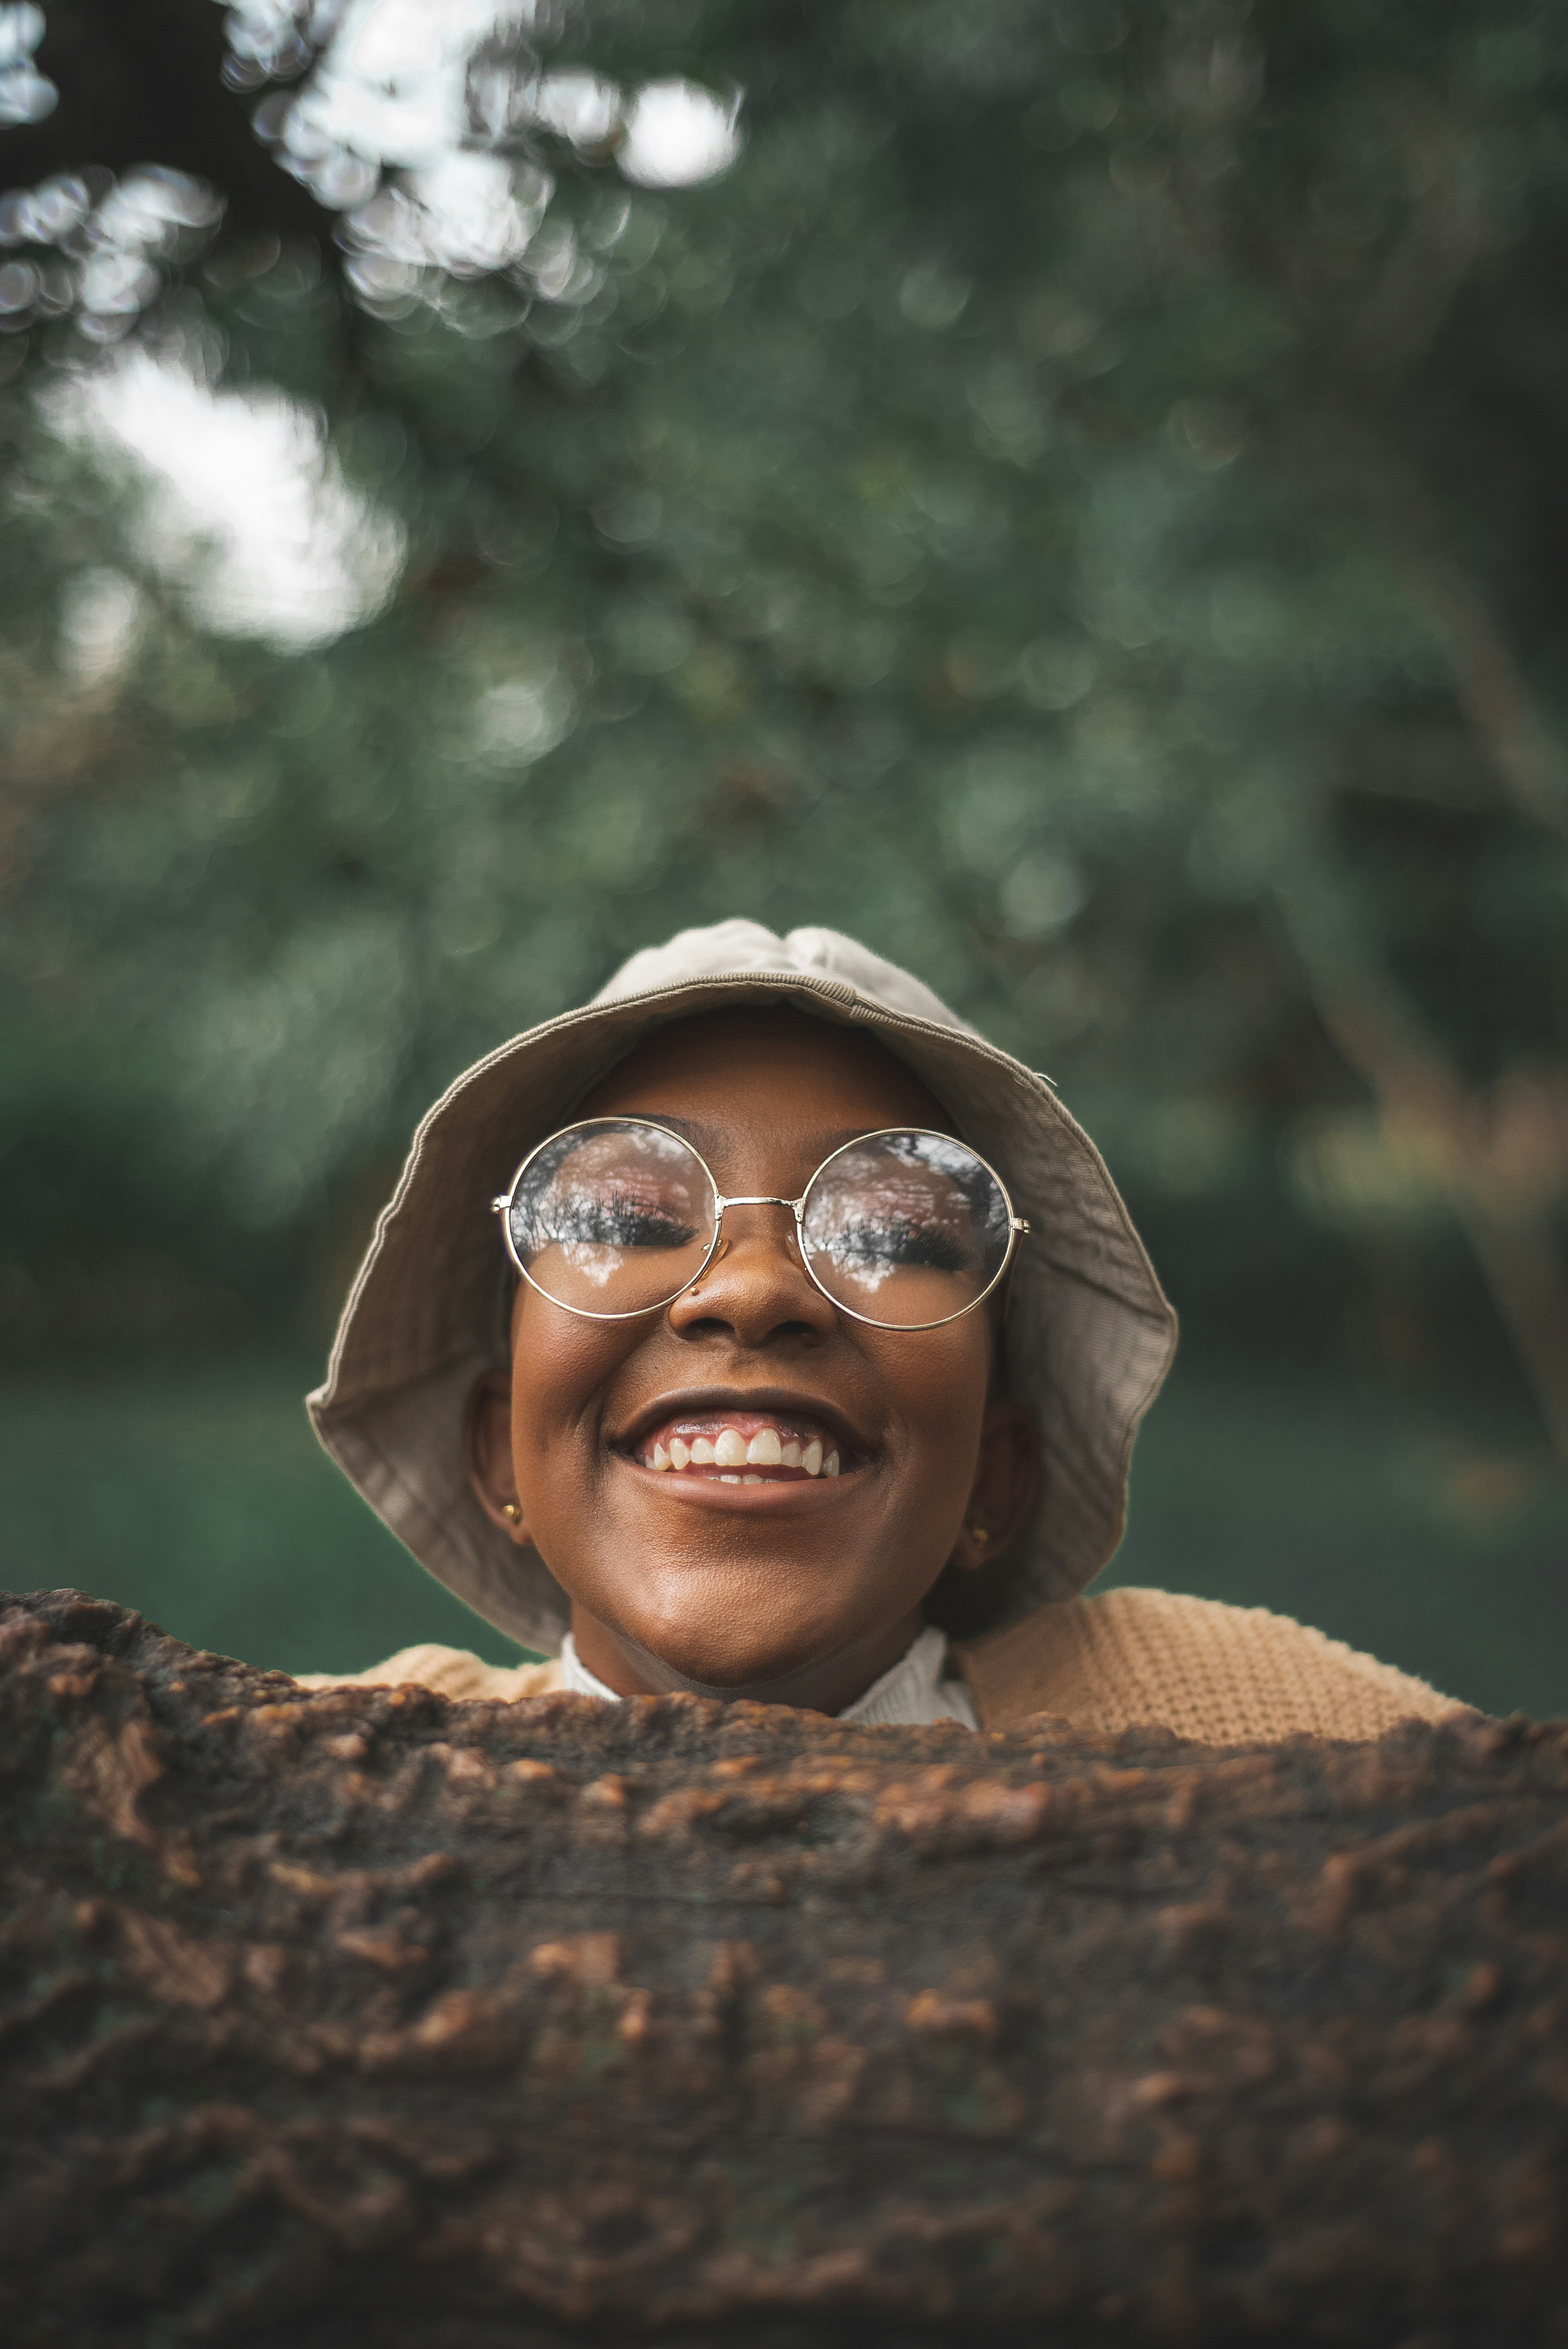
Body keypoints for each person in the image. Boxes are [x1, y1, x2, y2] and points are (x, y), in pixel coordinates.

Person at [302, 920, 1458, 1739]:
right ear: (498, 1450)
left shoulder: (1252, 1738)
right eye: (625, 1215)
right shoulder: (320, 1777)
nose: (752, 1291)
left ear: (999, 1481)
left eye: (897, 1236)